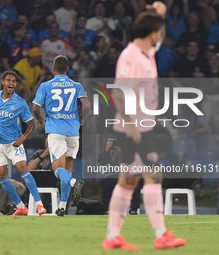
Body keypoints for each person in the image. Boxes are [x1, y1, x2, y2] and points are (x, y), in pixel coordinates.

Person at [103, 2, 186, 250]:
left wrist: (160, 14)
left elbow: (153, 34)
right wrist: (129, 124)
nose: (161, 36)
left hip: (142, 126)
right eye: (159, 31)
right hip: (134, 128)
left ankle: (112, 236)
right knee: (153, 175)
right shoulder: (130, 57)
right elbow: (118, 92)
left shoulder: (147, 51)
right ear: (152, 34)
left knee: (128, 181)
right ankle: (161, 234)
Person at [32, 55, 91, 216]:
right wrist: (82, 118)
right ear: (67, 69)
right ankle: (63, 207)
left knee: (57, 168)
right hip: (73, 131)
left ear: (53, 68)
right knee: (68, 167)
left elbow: (36, 108)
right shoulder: (76, 85)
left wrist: (38, 119)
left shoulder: (45, 86)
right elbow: (87, 105)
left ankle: (74, 182)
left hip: (56, 131)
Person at [0, 70, 46, 216]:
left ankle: (39, 205)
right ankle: (20, 207)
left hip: (14, 143)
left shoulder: (20, 103)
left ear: (16, 84)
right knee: (1, 176)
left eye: (14, 81)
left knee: (23, 170)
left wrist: (22, 138)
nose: (11, 83)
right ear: (3, 82)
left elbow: (31, 125)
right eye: (8, 80)